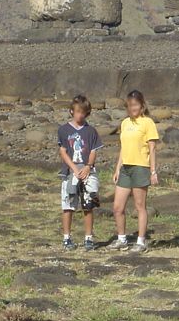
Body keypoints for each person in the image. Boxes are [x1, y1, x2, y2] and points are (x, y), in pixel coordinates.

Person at [111, 89, 160, 253]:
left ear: (142, 105)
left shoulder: (147, 123)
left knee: (140, 206)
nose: (133, 108)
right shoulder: (125, 123)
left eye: (135, 105)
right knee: (118, 207)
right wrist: (117, 168)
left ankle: (141, 241)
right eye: (130, 105)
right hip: (125, 168)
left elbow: (152, 148)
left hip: (141, 167)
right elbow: (123, 148)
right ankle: (121, 238)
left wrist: (153, 171)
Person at [58, 94, 103, 250]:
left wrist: (88, 166)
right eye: (77, 111)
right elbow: (63, 151)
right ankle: (66, 237)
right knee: (68, 205)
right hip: (70, 171)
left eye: (83, 112)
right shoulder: (63, 130)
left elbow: (93, 150)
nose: (80, 115)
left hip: (87, 170)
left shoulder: (91, 131)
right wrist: (74, 168)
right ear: (72, 111)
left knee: (88, 205)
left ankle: (88, 237)